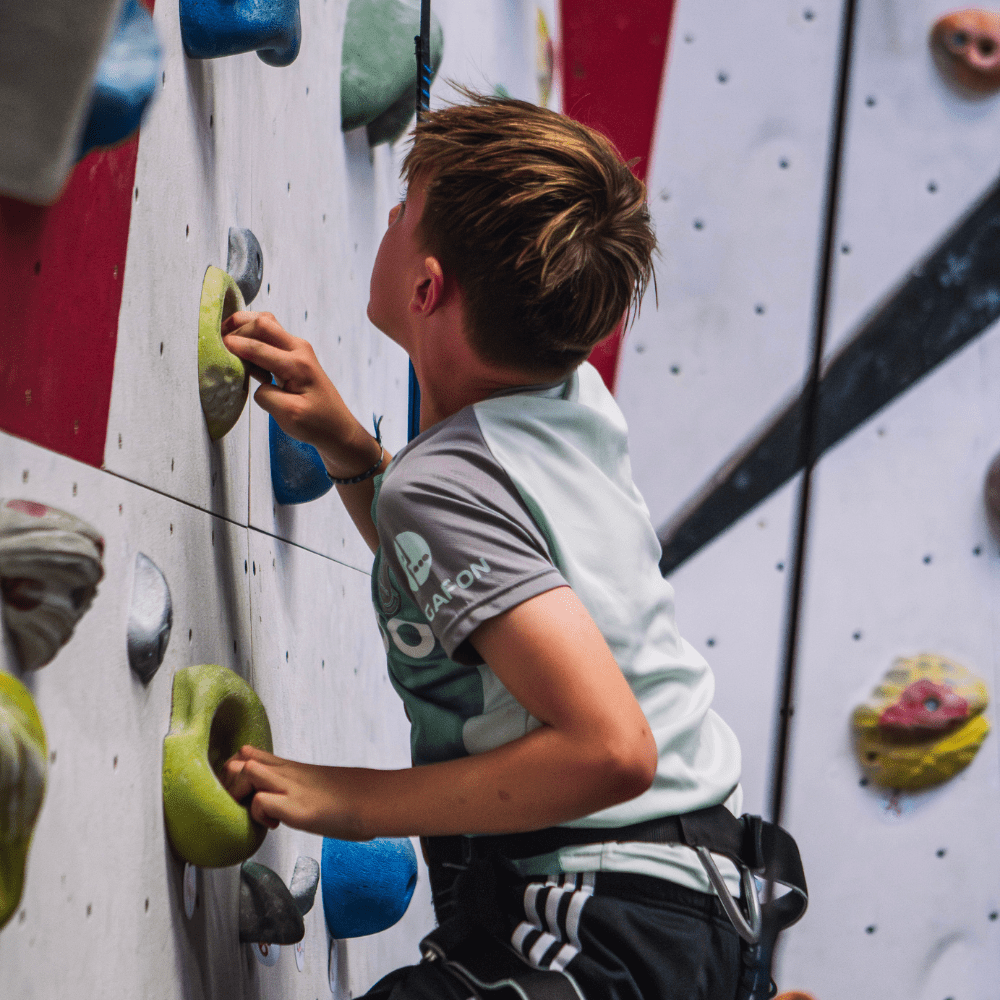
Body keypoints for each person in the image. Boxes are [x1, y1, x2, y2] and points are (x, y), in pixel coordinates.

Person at [221, 92, 748, 999]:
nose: (387, 218)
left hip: (602, 905)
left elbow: (612, 750)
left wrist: (349, 800)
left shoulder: (444, 484)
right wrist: (354, 455)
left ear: (426, 287)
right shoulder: (570, 399)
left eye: (403, 208)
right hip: (682, 901)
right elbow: (472, 571)